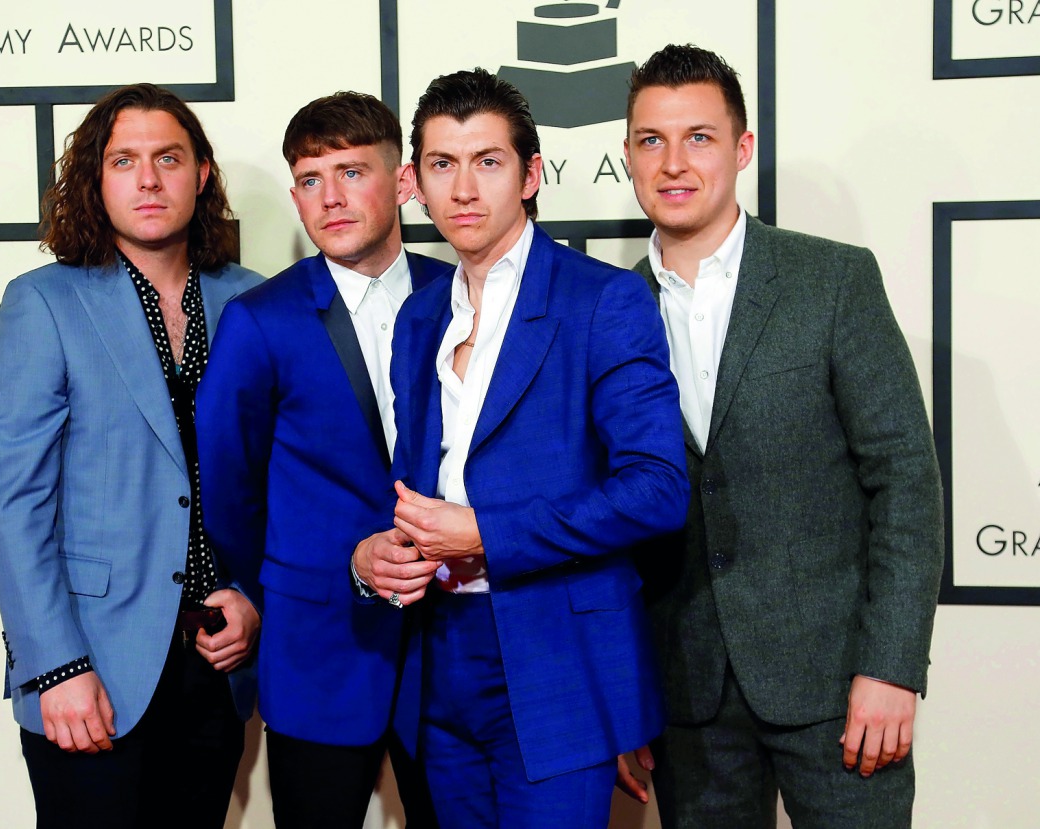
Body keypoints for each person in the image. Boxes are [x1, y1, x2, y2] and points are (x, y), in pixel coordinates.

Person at [354, 68, 689, 828]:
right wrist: (375, 555)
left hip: (555, 656)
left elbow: (658, 488)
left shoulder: (602, 299)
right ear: (416, 184)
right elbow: (413, 488)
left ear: (531, 174)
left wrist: (487, 533)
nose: (464, 188)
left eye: (488, 161)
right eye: (442, 164)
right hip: (435, 655)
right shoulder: (417, 319)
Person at [622, 44, 944, 828]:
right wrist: (622, 701)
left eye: (699, 137)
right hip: (684, 699)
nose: (673, 162)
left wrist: (891, 665)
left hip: (841, 690)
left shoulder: (831, 280)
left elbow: (905, 481)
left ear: (742, 149)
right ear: (627, 155)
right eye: (651, 140)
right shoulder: (607, 310)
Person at [0, 83, 263, 828]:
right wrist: (57, 666)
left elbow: (281, 482)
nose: (148, 179)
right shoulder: (44, 303)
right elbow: (14, 503)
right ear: (96, 180)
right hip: (92, 666)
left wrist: (252, 594)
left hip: (215, 662)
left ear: (201, 173)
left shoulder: (252, 301)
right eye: (123, 160)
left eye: (168, 158)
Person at [196, 92, 448, 829]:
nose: (330, 198)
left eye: (351, 172)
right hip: (318, 646)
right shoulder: (259, 319)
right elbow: (230, 487)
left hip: (451, 649)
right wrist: (293, 581)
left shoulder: (462, 296)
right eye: (310, 179)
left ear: (403, 181)